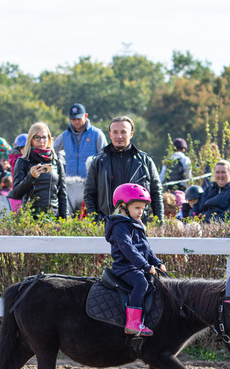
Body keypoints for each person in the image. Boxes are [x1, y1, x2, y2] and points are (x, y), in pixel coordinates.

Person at [105, 183, 165, 336]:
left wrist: (157, 262)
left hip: (137, 265)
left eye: (143, 208)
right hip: (125, 267)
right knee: (141, 282)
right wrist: (145, 266)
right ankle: (133, 323)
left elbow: (145, 248)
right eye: (137, 208)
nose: (141, 212)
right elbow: (128, 249)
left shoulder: (136, 224)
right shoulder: (120, 226)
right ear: (122, 206)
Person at [84, 116, 163, 221]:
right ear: (110, 134)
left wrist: (159, 221)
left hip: (139, 224)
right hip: (107, 224)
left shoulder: (145, 161)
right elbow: (89, 194)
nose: (119, 136)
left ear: (131, 134)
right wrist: (96, 220)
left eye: (123, 132)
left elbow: (156, 193)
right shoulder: (98, 162)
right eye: (115, 132)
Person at [10, 122, 69, 218]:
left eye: (44, 137)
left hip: (53, 216)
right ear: (31, 139)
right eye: (37, 137)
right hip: (30, 216)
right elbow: (16, 193)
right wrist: (30, 177)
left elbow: (62, 194)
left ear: (49, 139)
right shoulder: (23, 161)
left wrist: (65, 220)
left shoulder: (56, 162)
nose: (41, 141)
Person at [53, 103, 107, 179]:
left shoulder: (97, 134)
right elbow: (52, 150)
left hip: (91, 181)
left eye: (79, 118)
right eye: (73, 119)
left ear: (85, 116)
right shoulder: (65, 135)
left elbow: (104, 157)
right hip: (70, 181)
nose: (76, 122)